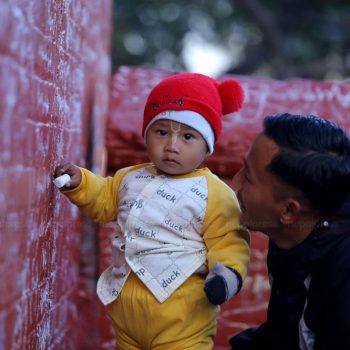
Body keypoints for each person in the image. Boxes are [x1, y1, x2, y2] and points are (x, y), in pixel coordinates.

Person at [54, 73, 250, 350]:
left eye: (188, 136)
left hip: (182, 320)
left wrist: (226, 276)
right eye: (161, 132)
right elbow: (102, 199)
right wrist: (81, 183)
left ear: (207, 146)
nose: (171, 145)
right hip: (126, 314)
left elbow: (229, 240)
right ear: (146, 135)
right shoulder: (128, 178)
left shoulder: (215, 194)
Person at [230, 113, 350, 350]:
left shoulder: (343, 277)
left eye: (248, 176)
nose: (235, 181)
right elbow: (284, 333)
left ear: (288, 211)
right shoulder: (296, 235)